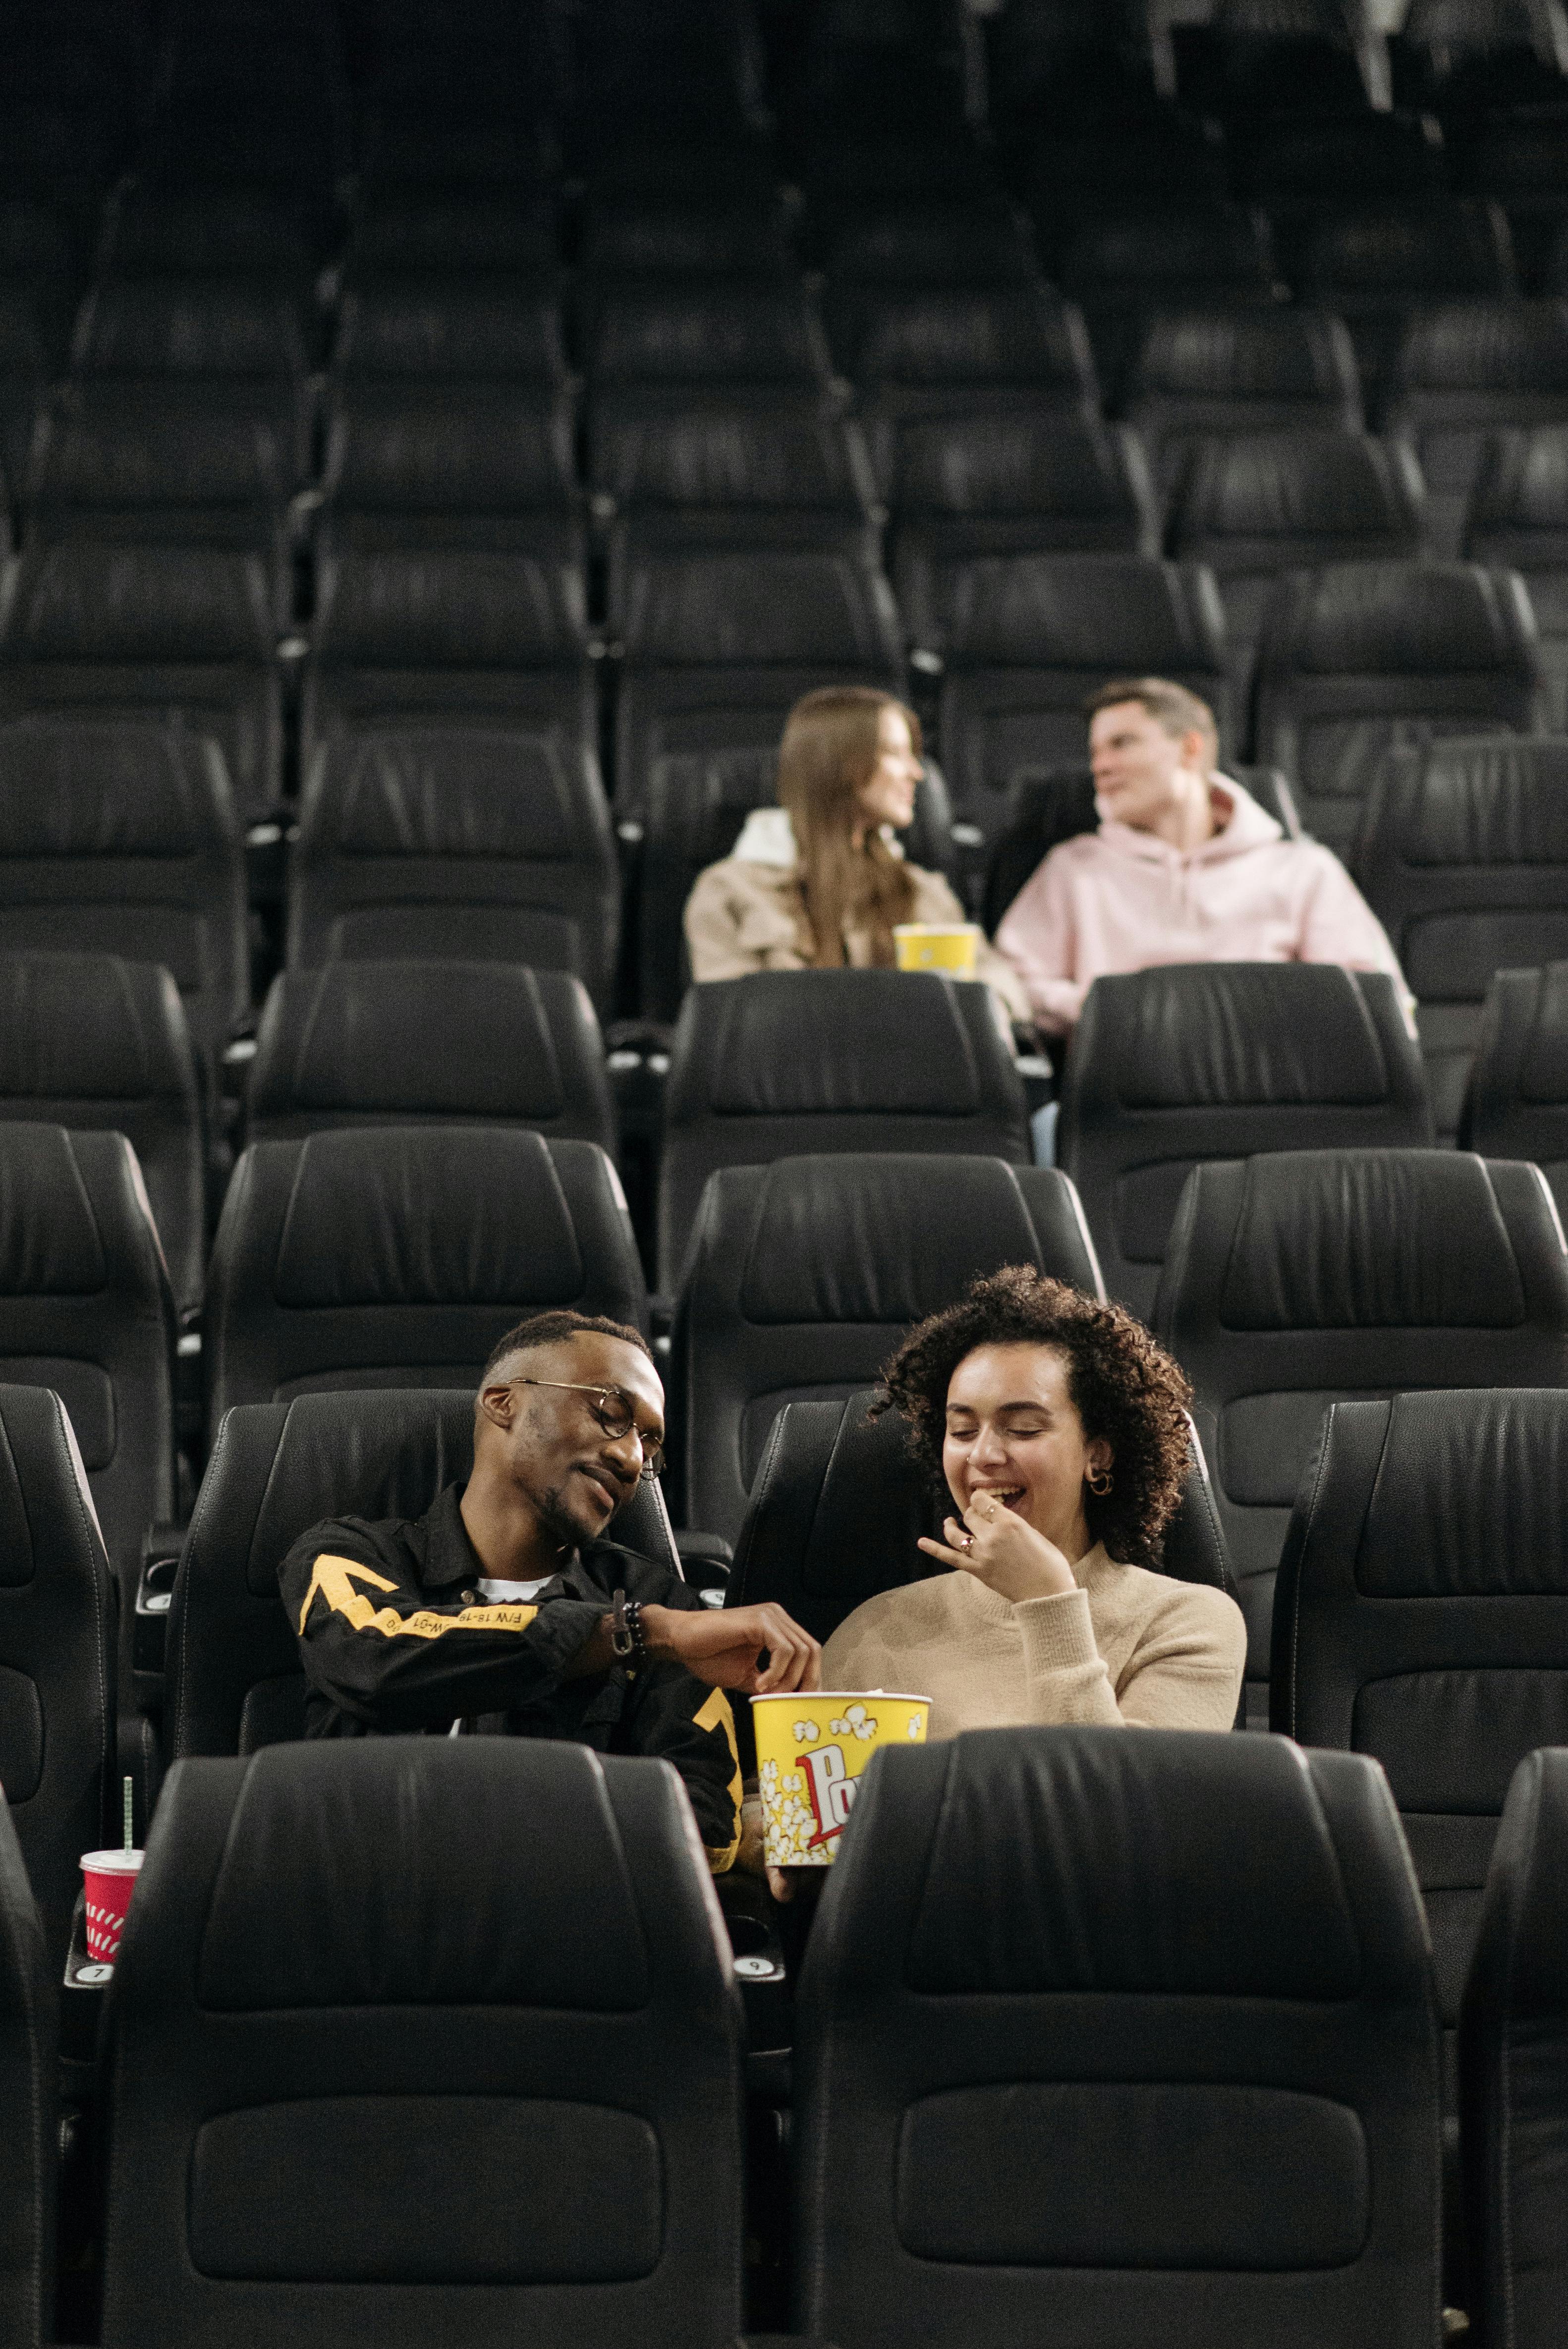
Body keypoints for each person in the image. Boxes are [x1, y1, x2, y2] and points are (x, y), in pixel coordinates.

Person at [280, 1309, 821, 1873]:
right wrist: (636, 1633)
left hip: (563, 1929)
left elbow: (704, 1830)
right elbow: (377, 1655)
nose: (632, 1458)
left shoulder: (666, 1603)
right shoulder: (346, 1553)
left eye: (650, 1442)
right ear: (502, 1402)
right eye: (611, 1413)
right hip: (361, 1918)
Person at [820, 1265, 1246, 1735]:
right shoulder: (877, 1630)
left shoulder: (1187, 1624)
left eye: (1023, 1428)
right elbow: (785, 1797)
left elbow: (1116, 1804)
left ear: (1097, 1455)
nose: (982, 1455)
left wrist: (1049, 1604)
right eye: (961, 1431)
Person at [994, 675, 1409, 1036]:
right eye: (1096, 752)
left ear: (1190, 749)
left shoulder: (1304, 871)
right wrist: (1114, 1012)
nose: (1100, 767)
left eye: (1122, 744)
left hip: (1272, 1093)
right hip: (1123, 1097)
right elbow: (1013, 985)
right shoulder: (1073, 868)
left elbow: (1374, 1000)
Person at [683, 684, 1032, 1023]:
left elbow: (1000, 987)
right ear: (838, 765)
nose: (917, 773)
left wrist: (979, 1010)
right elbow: (729, 1029)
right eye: (895, 754)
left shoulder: (922, 889)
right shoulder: (730, 893)